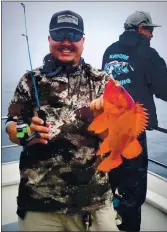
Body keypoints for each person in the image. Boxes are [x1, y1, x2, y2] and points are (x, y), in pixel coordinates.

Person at [5, 10, 119, 232]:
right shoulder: (30, 81)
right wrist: (26, 131)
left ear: (83, 41)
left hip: (94, 201)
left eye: (73, 36)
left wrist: (105, 121)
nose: (66, 42)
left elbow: (114, 139)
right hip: (40, 203)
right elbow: (11, 128)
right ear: (49, 39)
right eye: (59, 35)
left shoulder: (102, 81)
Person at [101, 11, 167, 232]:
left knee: (110, 182)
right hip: (132, 134)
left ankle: (110, 221)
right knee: (133, 190)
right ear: (140, 28)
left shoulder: (109, 51)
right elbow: (166, 91)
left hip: (109, 132)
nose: (152, 35)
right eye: (149, 30)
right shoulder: (147, 52)